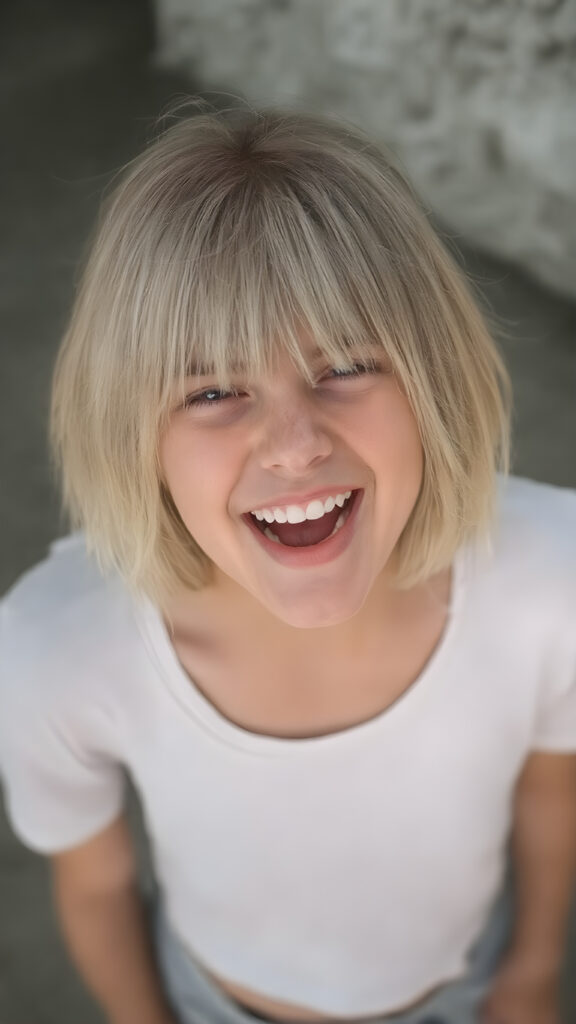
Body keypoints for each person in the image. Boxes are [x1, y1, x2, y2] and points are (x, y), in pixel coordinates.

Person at [1, 104, 575, 1024]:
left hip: (470, 987)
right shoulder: (57, 650)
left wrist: (534, 973)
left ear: (436, 376)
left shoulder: (553, 581)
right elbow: (98, 884)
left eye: (345, 363)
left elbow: (554, 791)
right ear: (130, 431)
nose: (295, 444)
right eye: (214, 390)